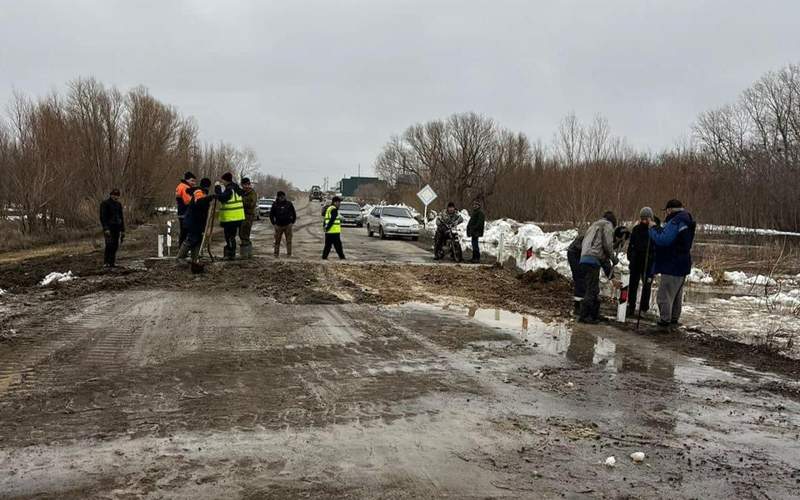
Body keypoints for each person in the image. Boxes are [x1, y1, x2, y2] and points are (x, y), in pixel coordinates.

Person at [649, 199, 696, 328]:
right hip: (682, 264)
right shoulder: (686, 220)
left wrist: (653, 229)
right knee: (676, 295)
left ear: (669, 210)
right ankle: (673, 320)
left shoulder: (676, 221)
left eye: (666, 211)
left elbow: (664, 240)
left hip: (672, 264)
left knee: (665, 295)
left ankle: (664, 321)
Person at [578, 211, 619, 323]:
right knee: (592, 289)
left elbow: (598, 246)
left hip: (584, 257)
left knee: (593, 288)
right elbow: (607, 245)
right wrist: (613, 257)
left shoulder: (594, 225)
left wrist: (611, 273)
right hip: (593, 259)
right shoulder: (607, 225)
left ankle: (594, 315)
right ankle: (584, 316)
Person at [567, 232, 616, 316]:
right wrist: (612, 277)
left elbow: (604, 260)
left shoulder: (604, 239)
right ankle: (578, 307)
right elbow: (604, 261)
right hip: (575, 253)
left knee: (589, 280)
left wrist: (611, 276)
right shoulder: (602, 242)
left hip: (584, 254)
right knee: (580, 279)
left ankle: (587, 306)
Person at [627, 207, 657, 317]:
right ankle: (631, 307)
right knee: (633, 285)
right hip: (636, 263)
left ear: (650, 218)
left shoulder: (654, 230)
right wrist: (630, 257)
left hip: (648, 264)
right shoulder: (636, 229)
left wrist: (653, 260)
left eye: (646, 218)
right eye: (642, 218)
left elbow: (656, 248)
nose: (644, 221)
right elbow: (631, 246)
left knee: (646, 287)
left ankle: (643, 309)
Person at [177, 178, 214, 261]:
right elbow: (200, 203)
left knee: (197, 241)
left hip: (198, 222)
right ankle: (179, 258)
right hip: (193, 222)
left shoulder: (201, 192)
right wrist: (209, 198)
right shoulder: (198, 192)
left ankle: (195, 259)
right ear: (208, 186)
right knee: (191, 239)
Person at [214, 172, 246, 260]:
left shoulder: (229, 189)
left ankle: (231, 254)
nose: (222, 182)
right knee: (232, 236)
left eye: (222, 181)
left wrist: (217, 187)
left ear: (225, 180)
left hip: (230, 218)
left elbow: (221, 198)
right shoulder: (236, 188)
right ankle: (231, 252)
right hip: (238, 218)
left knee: (229, 236)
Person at [99, 188, 125, 268]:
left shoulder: (118, 205)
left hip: (116, 227)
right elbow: (103, 217)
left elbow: (121, 217)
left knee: (115, 245)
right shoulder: (105, 204)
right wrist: (106, 228)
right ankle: (106, 262)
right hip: (109, 228)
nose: (115, 197)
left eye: (117, 196)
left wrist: (123, 230)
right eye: (114, 195)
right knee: (109, 244)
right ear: (111, 195)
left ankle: (112, 262)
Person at [270, 190, 297, 257]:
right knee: (277, 241)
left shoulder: (289, 204)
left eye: (283, 196)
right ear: (278, 197)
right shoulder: (275, 204)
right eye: (280, 196)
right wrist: (274, 224)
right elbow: (271, 215)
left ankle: (289, 254)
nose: (282, 198)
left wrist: (292, 222)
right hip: (278, 225)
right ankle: (276, 254)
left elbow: (294, 214)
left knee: (289, 241)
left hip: (288, 225)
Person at [175, 171, 196, 246]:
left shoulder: (180, 186)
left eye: (194, 181)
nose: (193, 183)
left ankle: (181, 249)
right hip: (185, 213)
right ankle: (183, 250)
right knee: (185, 232)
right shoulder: (185, 187)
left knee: (183, 232)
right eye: (192, 181)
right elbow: (188, 201)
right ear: (187, 180)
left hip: (181, 212)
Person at [239, 177, 258, 259]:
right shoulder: (244, 192)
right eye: (244, 185)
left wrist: (241, 201)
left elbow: (251, 204)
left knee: (244, 234)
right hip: (243, 215)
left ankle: (245, 254)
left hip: (248, 216)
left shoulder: (252, 193)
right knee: (242, 234)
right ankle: (247, 253)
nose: (245, 186)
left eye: (247, 185)